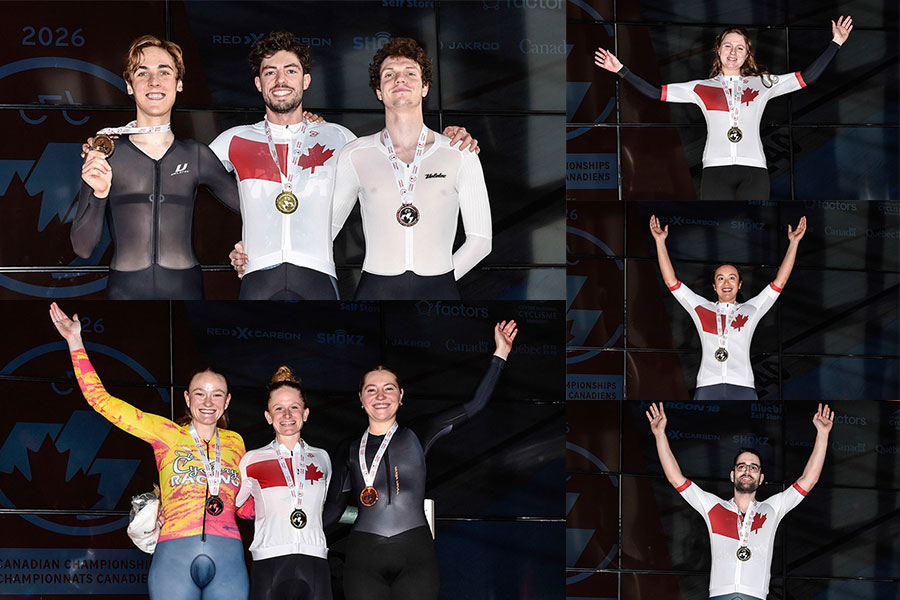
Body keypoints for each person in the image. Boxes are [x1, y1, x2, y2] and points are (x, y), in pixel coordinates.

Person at [214, 32, 479, 300]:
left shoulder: (340, 138)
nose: (280, 79)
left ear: (306, 80)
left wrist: (451, 138)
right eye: (270, 72)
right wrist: (254, 241)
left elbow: (385, 157)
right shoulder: (235, 138)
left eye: (290, 70)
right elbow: (194, 174)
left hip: (320, 275)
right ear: (258, 83)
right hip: (263, 270)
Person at [48, 302, 248, 599]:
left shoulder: (236, 443)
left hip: (228, 555)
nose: (208, 402)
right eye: (200, 394)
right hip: (174, 555)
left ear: (227, 401)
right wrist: (75, 341)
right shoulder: (165, 433)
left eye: (216, 395)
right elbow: (101, 401)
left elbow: (244, 502)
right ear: (187, 398)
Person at [324, 319, 517, 599]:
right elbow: (333, 508)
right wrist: (293, 528)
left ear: (401, 396)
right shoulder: (349, 448)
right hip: (363, 556)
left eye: (389, 388)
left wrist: (501, 354)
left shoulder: (419, 433)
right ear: (361, 398)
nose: (380, 396)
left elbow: (475, 405)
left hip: (415, 553)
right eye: (371, 389)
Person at [594, 17, 853, 200]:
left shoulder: (763, 83)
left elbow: (808, 77)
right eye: (728, 45)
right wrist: (621, 70)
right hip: (715, 171)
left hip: (755, 172)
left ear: (747, 54)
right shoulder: (699, 88)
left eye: (740, 48)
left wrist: (836, 43)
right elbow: (654, 92)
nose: (733, 52)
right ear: (718, 50)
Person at [72, 35, 241, 299]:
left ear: (179, 83)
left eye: (164, 72)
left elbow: (256, 208)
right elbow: (82, 248)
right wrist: (99, 194)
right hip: (124, 292)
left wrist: (305, 127)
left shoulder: (196, 155)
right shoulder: (104, 156)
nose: (154, 81)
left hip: (185, 290)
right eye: (142, 73)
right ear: (129, 85)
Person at [331, 37, 492, 299]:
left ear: (425, 87)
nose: (399, 79)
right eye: (389, 74)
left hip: (439, 290)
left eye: (410, 73)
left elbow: (481, 241)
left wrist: (441, 282)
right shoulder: (355, 154)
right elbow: (325, 231)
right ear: (379, 91)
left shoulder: (460, 152)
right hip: (375, 290)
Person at [646, 402, 834, 600]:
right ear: (732, 475)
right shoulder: (713, 506)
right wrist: (660, 435)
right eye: (741, 466)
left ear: (760, 478)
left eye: (754, 468)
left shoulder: (773, 507)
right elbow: (675, 478)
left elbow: (809, 480)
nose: (747, 471)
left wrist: (823, 434)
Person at [649, 214, 806, 400]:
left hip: (743, 386)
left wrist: (794, 243)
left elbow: (780, 281)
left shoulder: (752, 309)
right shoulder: (700, 307)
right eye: (720, 278)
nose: (726, 283)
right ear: (714, 286)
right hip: (707, 386)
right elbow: (671, 282)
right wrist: (660, 241)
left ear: (739, 285)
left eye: (732, 278)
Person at [236, 366, 332, 600]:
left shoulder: (322, 458)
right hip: (268, 562)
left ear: (305, 413)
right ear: (268, 416)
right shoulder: (251, 460)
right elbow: (233, 506)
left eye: (294, 407)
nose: (287, 415)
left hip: (315, 561)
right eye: (279, 408)